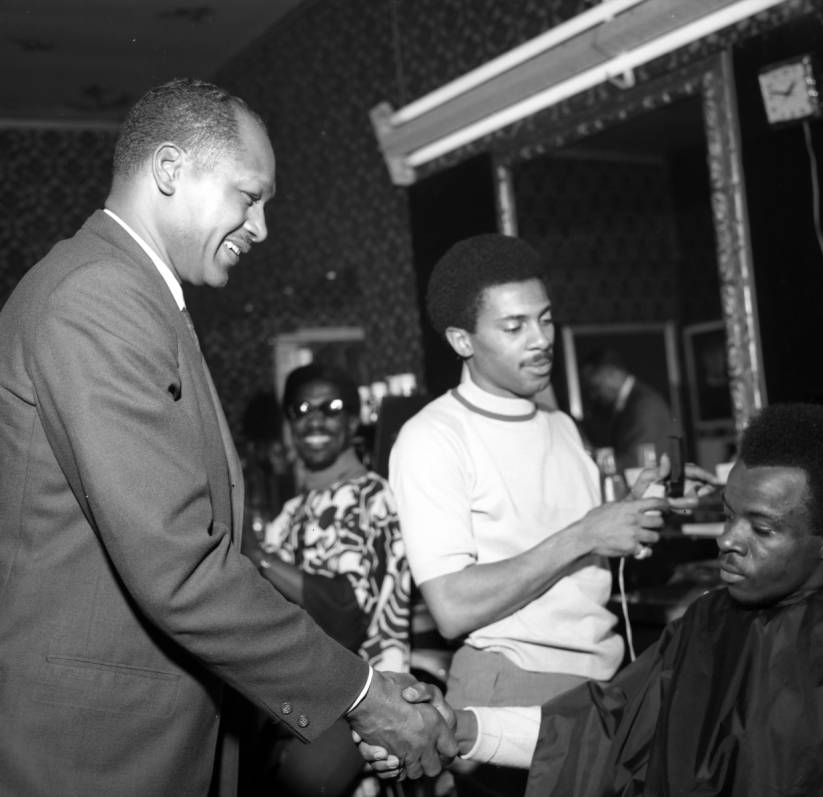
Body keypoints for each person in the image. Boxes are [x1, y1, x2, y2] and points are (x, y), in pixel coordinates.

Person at [0, 77, 454, 797]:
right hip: (97, 751)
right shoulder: (96, 297)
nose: (261, 226)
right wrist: (363, 693)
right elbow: (179, 567)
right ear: (171, 171)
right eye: (250, 195)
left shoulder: (133, 296)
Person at [373, 402, 823, 795]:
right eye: (727, 515)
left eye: (761, 528)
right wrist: (459, 729)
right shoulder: (707, 623)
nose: (728, 540)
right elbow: (604, 729)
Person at [388, 233, 673, 796]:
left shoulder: (561, 426)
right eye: (515, 327)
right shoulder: (432, 438)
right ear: (461, 340)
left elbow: (575, 547)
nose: (541, 340)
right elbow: (451, 607)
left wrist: (624, 519)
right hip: (509, 689)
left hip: (601, 685)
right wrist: (586, 533)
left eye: (544, 319)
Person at [241, 363, 412, 796]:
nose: (315, 418)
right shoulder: (290, 513)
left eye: (331, 407)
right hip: (297, 699)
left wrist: (258, 557)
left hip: (364, 699)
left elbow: (345, 616)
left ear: (353, 421)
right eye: (301, 409)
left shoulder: (375, 498)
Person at [579, 346, 677, 471]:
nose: (593, 395)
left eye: (595, 387)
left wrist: (590, 462)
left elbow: (637, 463)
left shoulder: (644, 405)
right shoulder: (627, 404)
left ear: (613, 374)